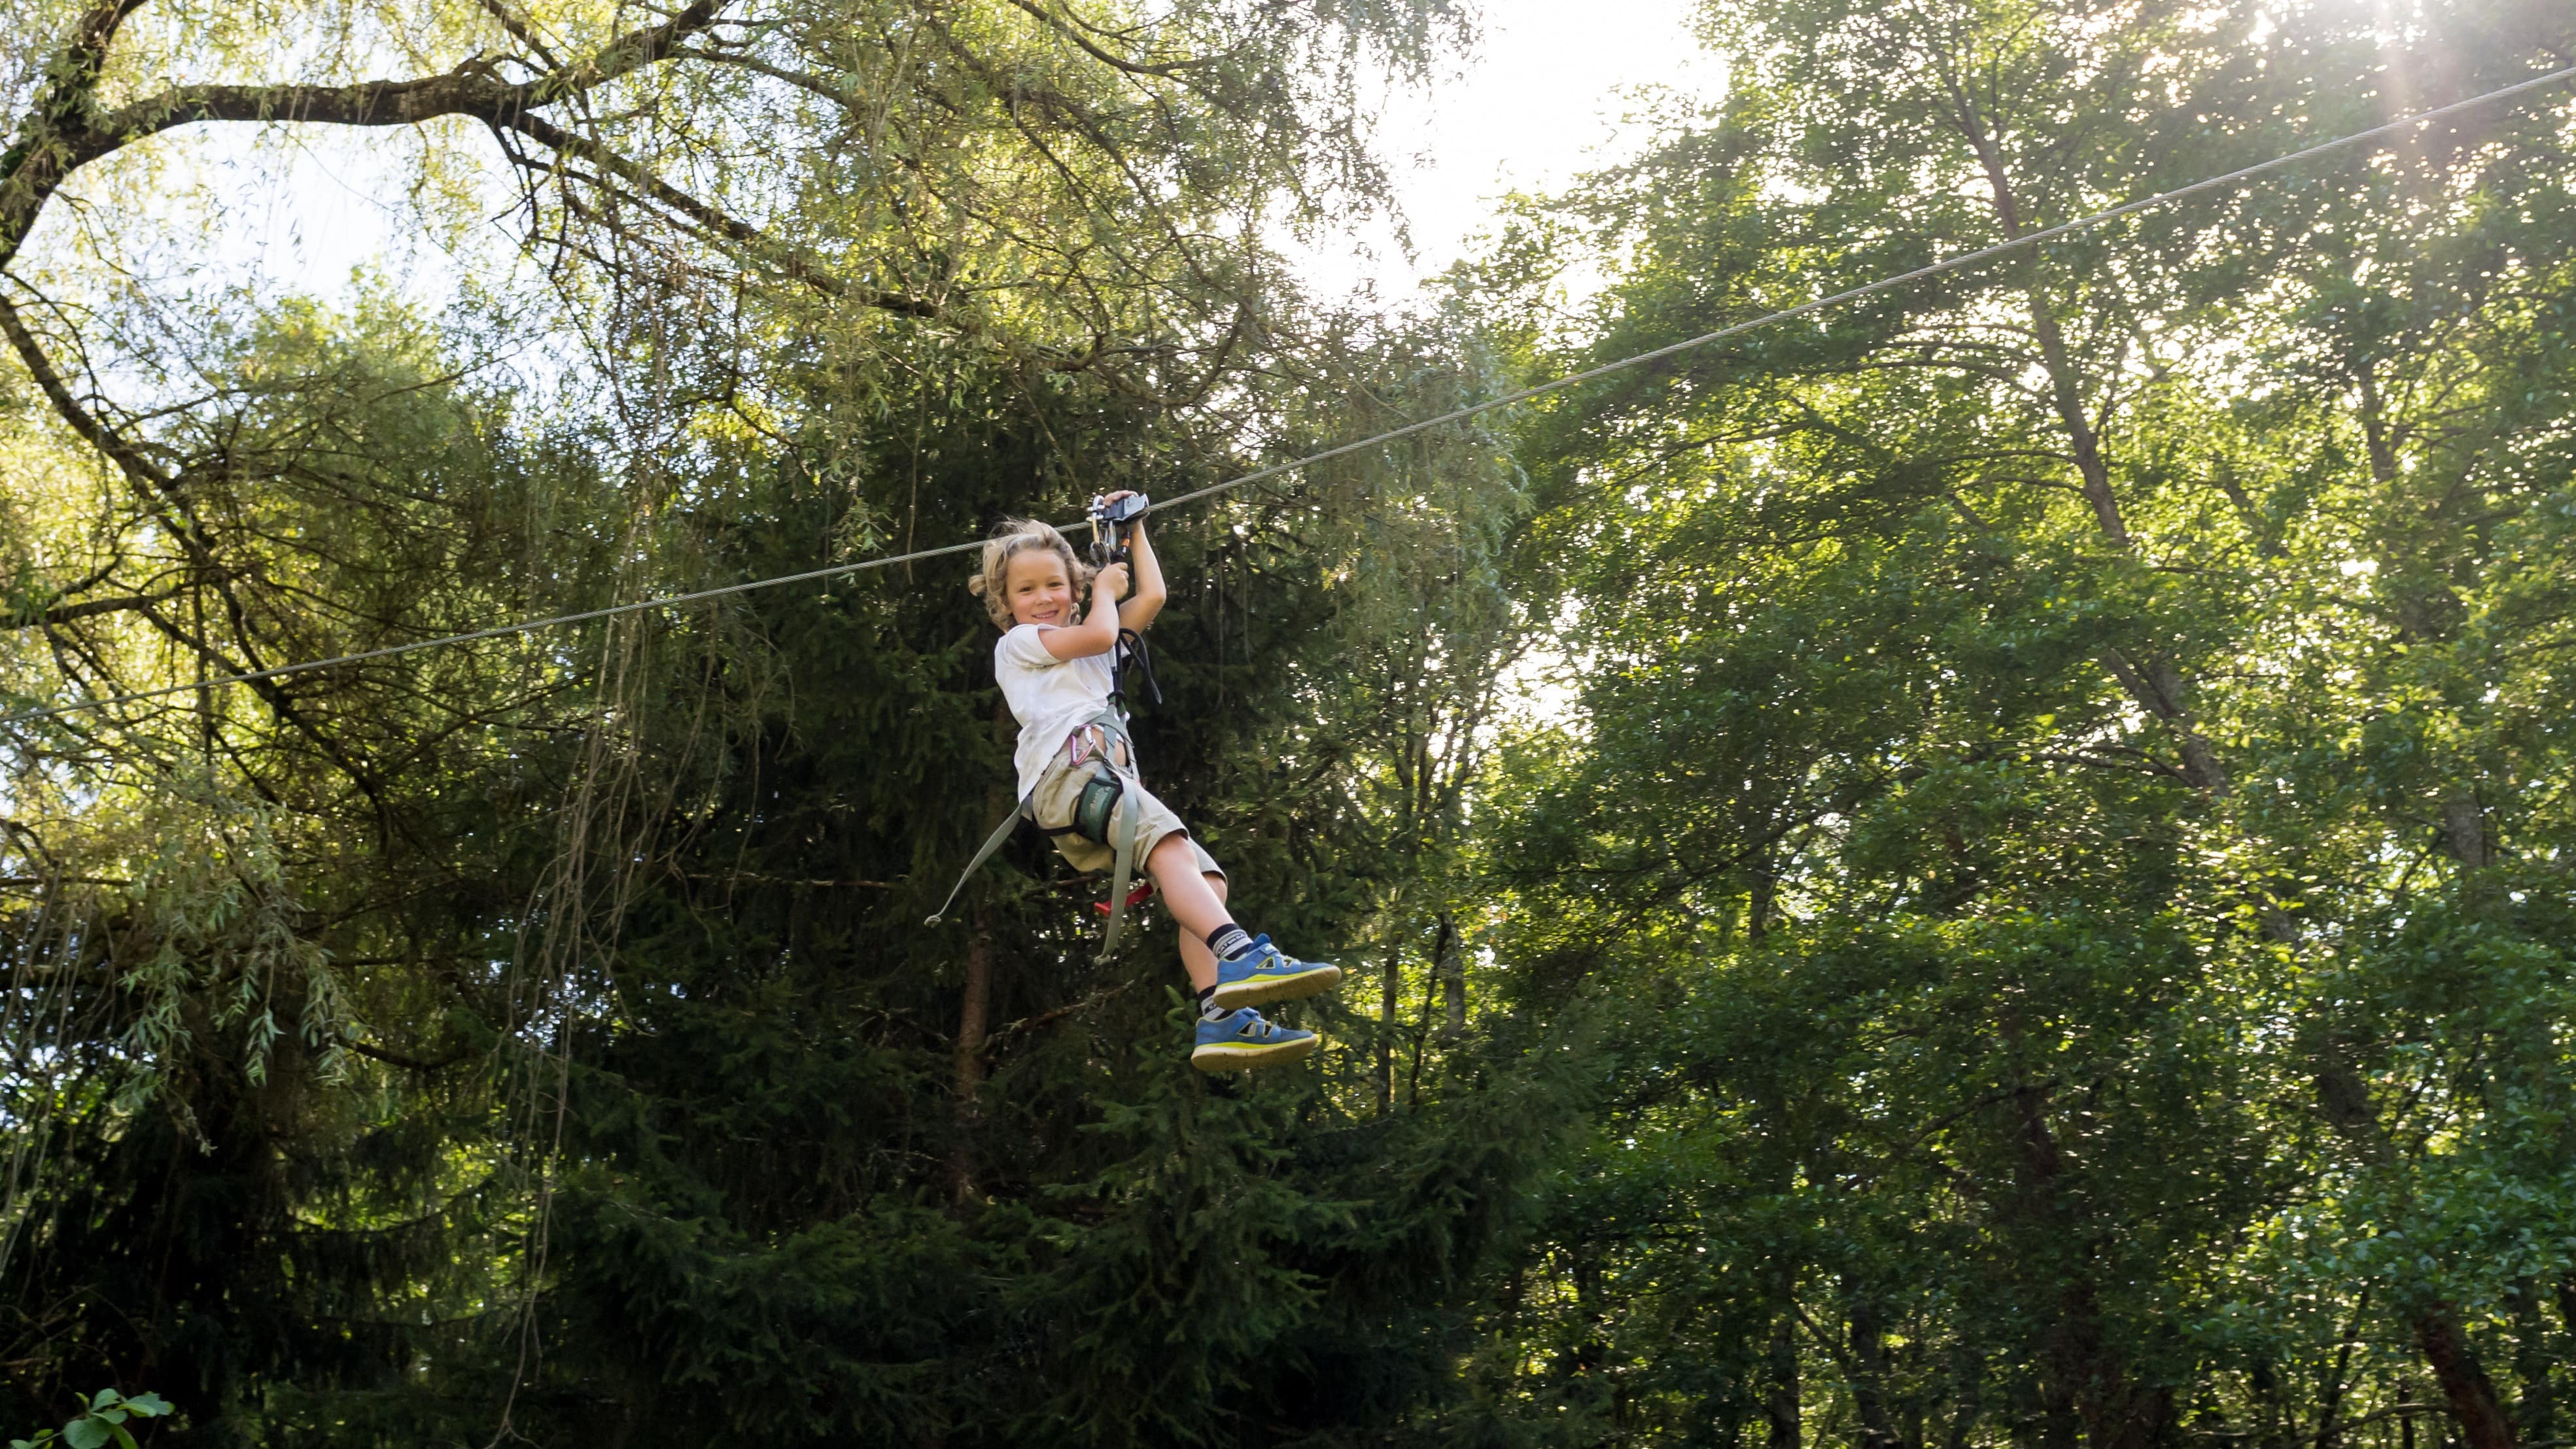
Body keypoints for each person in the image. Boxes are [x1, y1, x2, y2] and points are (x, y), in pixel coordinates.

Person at [966, 495, 1342, 1070]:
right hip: (1069, 779)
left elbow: (1154, 597)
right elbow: (1095, 633)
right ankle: (1240, 953)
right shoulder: (1020, 644)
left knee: (1206, 882)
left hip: (1098, 782)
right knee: (1169, 848)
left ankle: (1221, 1015)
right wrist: (1101, 591)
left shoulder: (1098, 643)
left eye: (1054, 585)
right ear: (1006, 602)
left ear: (1072, 586)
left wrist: (1136, 531)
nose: (1043, 599)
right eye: (1026, 590)